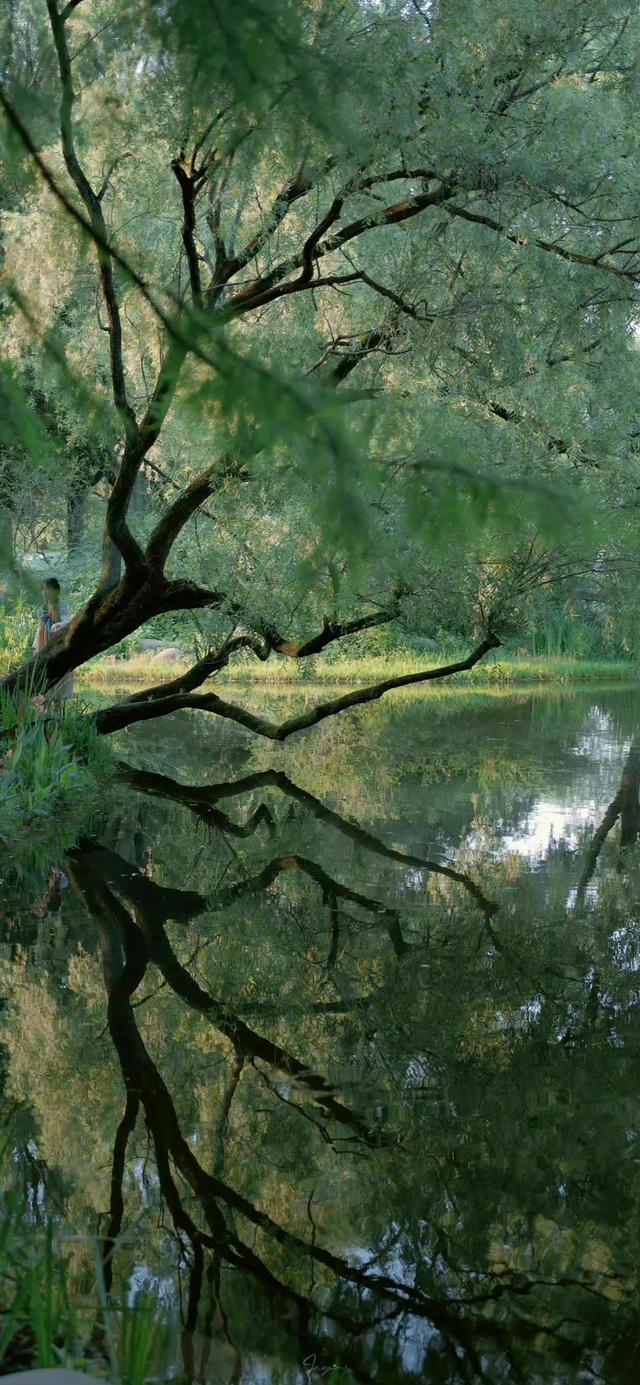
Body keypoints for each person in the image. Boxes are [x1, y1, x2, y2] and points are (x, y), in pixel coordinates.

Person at [33, 576, 74, 699]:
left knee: (58, 674)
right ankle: (45, 704)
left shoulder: (63, 606)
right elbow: (40, 629)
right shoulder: (42, 609)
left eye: (48, 589)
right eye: (43, 589)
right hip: (43, 643)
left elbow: (67, 621)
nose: (45, 592)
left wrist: (57, 624)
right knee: (43, 675)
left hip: (57, 642)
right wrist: (36, 647)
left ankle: (58, 705)